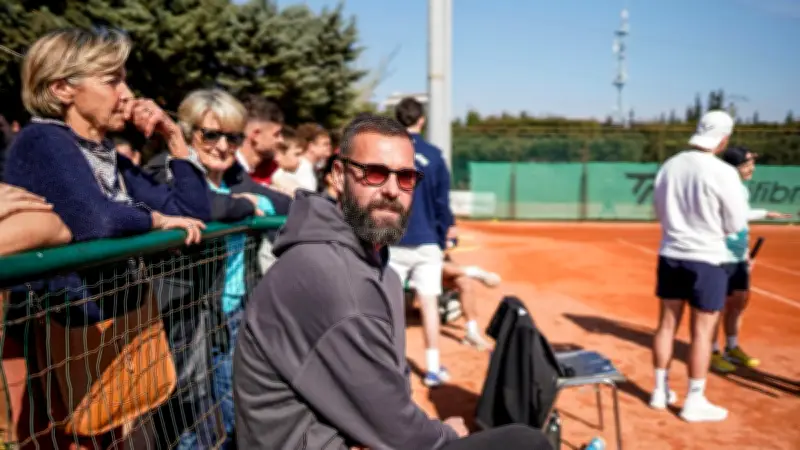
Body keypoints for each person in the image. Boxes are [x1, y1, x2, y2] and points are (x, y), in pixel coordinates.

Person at [233, 114, 552, 449]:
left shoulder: (372, 263)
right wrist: (448, 434)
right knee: (525, 443)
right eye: (374, 173)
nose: (391, 190)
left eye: (406, 177)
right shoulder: (334, 278)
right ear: (339, 176)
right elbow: (399, 433)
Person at [650, 110, 749, 423]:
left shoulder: (670, 165)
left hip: (670, 254)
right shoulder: (723, 172)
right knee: (702, 333)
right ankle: (694, 401)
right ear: (723, 139)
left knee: (666, 325)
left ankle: (658, 391)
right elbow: (735, 223)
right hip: (707, 259)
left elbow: (658, 209)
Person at [388, 97, 455, 387]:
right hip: (427, 240)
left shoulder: (388, 153)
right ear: (421, 120)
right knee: (429, 303)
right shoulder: (435, 156)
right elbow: (442, 203)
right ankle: (431, 368)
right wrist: (442, 236)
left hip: (392, 240)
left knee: (391, 305)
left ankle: (390, 366)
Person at [710, 146, 791, 373]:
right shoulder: (722, 188)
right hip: (720, 254)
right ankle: (714, 351)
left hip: (737, 255)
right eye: (747, 165)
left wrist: (744, 254)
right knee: (717, 306)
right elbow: (736, 217)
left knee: (737, 303)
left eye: (751, 164)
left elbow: (741, 220)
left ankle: (732, 347)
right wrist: (765, 213)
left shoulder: (741, 190)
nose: (751, 168)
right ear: (734, 168)